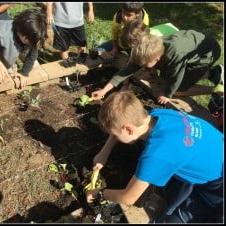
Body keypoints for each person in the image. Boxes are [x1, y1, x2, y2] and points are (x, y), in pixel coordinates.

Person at [86, 90, 223, 223]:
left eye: (115, 135)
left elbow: (128, 198)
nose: (114, 137)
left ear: (128, 129)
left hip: (218, 186)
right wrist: (104, 153)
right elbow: (118, 126)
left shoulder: (157, 154)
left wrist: (98, 193)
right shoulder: (158, 115)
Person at [92, 30, 223, 105]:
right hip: (193, 45)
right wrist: (104, 91)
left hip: (207, 53)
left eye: (143, 65)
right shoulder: (147, 49)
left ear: (157, 59)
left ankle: (216, 90)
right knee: (166, 77)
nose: (141, 67)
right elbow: (125, 71)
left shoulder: (175, 56)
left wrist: (167, 94)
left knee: (178, 89)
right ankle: (213, 73)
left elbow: (175, 79)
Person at [0, 8, 47, 89]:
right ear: (25, 38)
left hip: (9, 49)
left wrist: (24, 73)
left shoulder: (31, 34)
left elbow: (33, 53)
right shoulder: (1, 35)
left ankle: (7, 66)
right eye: (31, 42)